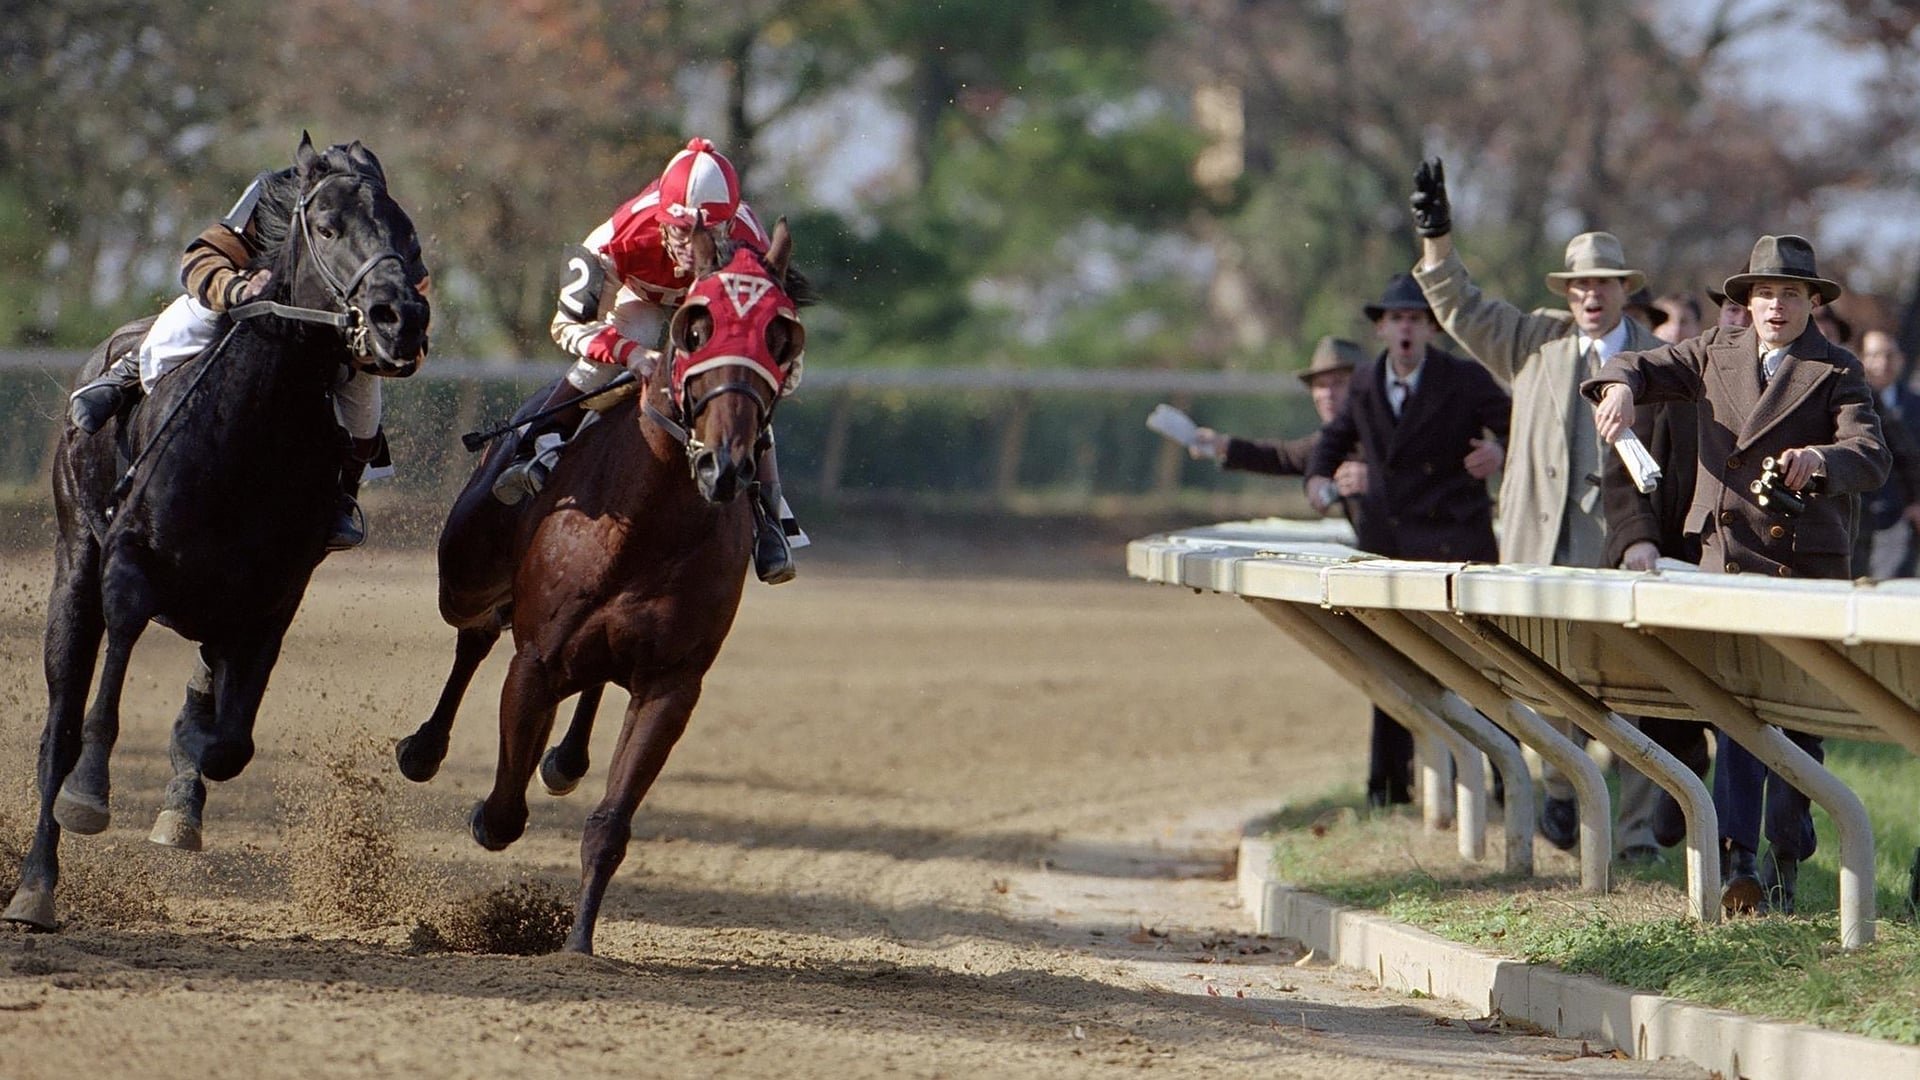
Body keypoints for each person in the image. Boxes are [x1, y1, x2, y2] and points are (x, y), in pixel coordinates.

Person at [1588, 234, 1891, 913]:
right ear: (1744, 303)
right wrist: (1617, 391)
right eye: (1762, 293)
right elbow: (1636, 362)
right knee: (1734, 717)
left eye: (1789, 293)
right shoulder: (1711, 353)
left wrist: (1820, 460)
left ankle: (1787, 850)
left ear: (1812, 302)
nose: (1774, 306)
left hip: (1802, 570)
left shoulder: (1837, 368)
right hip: (1725, 564)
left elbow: (1870, 455)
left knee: (1796, 724)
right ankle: (1736, 864)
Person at [1407, 158, 1666, 854]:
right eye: (1579, 283)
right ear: (1569, 290)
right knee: (1546, 689)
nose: (1590, 294)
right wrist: (1437, 237)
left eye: (1602, 283)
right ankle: (1562, 797)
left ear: (1622, 291)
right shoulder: (1536, 341)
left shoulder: (1660, 359)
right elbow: (1458, 306)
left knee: (1635, 695)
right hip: (1538, 551)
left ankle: (1638, 835)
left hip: (1622, 553)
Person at [67, 146, 426, 551]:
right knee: (192, 315)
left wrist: (380, 346)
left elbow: (413, 305)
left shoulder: (384, 222)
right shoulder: (273, 192)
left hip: (333, 339)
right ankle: (125, 375)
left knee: (364, 415)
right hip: (247, 312)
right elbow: (201, 256)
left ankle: (341, 499)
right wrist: (237, 288)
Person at [491, 138, 802, 584]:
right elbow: (566, 325)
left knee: (738, 381)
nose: (694, 249)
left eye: (712, 236)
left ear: (731, 226)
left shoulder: (750, 245)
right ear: (660, 220)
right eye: (681, 232)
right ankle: (537, 444)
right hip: (641, 299)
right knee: (616, 348)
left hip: (721, 305)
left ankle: (768, 517)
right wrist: (632, 354)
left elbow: (783, 357)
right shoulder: (616, 237)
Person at [1304, 275, 1511, 807]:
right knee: (1392, 668)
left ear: (1431, 328)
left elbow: (1519, 424)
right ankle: (1389, 788)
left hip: (1455, 545)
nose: (1405, 330)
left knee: (1481, 670)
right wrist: (1318, 479)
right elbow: (1331, 440)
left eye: (1415, 319)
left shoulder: (1463, 379)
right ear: (1380, 327)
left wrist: (1499, 454)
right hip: (1388, 548)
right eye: (1396, 319)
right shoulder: (1368, 383)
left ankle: (1509, 784)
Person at [1189, 335, 1366, 488]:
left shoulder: (1387, 432)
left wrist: (1373, 479)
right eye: (1320, 385)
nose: (1328, 394)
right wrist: (1222, 445)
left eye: (1339, 382)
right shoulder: (1328, 445)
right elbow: (1283, 456)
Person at [1857, 329, 1920, 578]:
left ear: (1900, 359)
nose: (1881, 363)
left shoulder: (1916, 405)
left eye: (1888, 355)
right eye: (1873, 355)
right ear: (1861, 359)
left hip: (1902, 519)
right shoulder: (1849, 402)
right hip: (1858, 515)